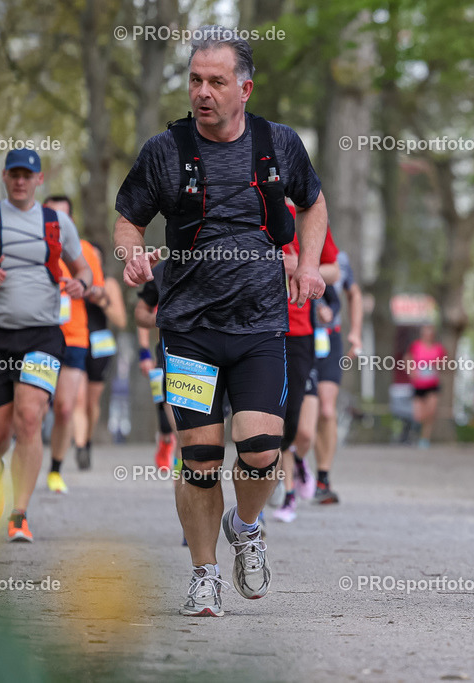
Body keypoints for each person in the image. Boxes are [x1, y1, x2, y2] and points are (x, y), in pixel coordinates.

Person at [114, 27, 328, 617]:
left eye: (216, 81)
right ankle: (203, 574)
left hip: (260, 324)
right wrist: (131, 253)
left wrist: (310, 264)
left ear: (245, 88)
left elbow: (313, 203)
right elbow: (129, 218)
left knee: (260, 448)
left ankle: (247, 525)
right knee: (201, 460)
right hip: (189, 329)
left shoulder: (279, 144)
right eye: (195, 80)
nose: (202, 92)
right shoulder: (165, 150)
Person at [0, 148, 93, 542]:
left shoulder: (57, 222)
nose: (21, 181)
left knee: (28, 419)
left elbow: (84, 270)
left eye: (28, 175)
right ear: (5, 178)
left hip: (42, 335)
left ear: (39, 179)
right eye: (15, 174)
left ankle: (19, 513)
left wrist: (82, 284)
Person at [272, 224, 339, 523]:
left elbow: (334, 272)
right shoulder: (251, 212)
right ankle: (288, 495)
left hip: (303, 335)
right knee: (280, 420)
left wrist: (302, 267)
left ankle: (300, 461)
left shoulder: (309, 220)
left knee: (305, 432)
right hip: (264, 330)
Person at [41, 195, 106, 493]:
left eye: (62, 217)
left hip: (74, 337)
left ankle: (55, 469)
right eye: (51, 216)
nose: (57, 223)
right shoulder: (33, 248)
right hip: (38, 336)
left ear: (72, 221)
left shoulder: (85, 251)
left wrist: (84, 288)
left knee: (65, 408)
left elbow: (100, 292)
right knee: (35, 407)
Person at [310, 250, 362, 504]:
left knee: (327, 409)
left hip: (330, 338)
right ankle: (293, 464)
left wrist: (356, 333)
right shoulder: (288, 248)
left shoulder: (340, 258)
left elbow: (354, 294)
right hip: (296, 337)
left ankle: (323, 478)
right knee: (300, 414)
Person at [73, 241, 126, 469]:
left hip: (100, 346)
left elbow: (121, 320)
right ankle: (80, 447)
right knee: (78, 398)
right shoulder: (74, 281)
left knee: (91, 403)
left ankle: (87, 440)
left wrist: (102, 301)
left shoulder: (108, 283)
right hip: (76, 343)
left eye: (94, 256)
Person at [135, 260, 177, 471]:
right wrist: (144, 354)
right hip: (163, 350)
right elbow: (143, 315)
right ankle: (166, 440)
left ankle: (180, 455)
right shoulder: (161, 274)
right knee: (162, 398)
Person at [405, 324, 446, 448]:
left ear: (433, 335)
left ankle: (425, 439)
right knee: (418, 415)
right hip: (418, 385)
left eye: (429, 333)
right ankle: (414, 434)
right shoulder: (416, 346)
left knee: (431, 413)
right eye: (425, 333)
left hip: (432, 384)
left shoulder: (438, 348)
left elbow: (444, 363)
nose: (427, 336)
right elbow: (407, 358)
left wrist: (437, 367)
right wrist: (411, 371)